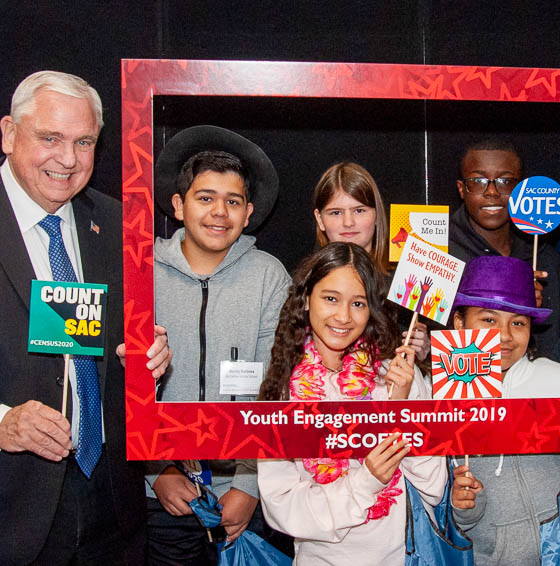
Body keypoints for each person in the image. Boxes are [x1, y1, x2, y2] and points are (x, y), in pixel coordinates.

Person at [0, 70, 171, 565]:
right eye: (49, 138)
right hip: (13, 510)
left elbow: (114, 347)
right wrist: (4, 422)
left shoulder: (118, 223)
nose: (68, 159)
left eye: (84, 141)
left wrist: (150, 357)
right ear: (9, 133)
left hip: (112, 505)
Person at [147, 125, 291, 564]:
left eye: (232, 202)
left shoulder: (269, 277)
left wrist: (248, 486)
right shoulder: (141, 271)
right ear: (178, 205)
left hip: (246, 494)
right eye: (205, 197)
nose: (219, 213)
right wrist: (157, 473)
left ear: (248, 213)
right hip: (166, 493)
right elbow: (124, 383)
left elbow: (278, 385)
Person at [257, 242, 446, 566]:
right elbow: (283, 511)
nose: (343, 317)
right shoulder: (281, 392)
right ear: (305, 300)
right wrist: (366, 481)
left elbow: (434, 487)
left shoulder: (397, 374)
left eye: (358, 303)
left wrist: (400, 411)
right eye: (331, 298)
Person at [449, 255, 560, 565]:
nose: (504, 335)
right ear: (459, 322)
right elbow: (462, 520)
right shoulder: (445, 394)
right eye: (488, 319)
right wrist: (464, 505)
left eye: (517, 322)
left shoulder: (558, 382)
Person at [449, 138, 560, 362]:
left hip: (537, 392)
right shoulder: (441, 252)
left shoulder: (545, 259)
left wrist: (531, 315)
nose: (492, 191)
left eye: (505, 181)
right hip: (465, 388)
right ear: (462, 189)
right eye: (478, 180)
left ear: (520, 188)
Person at [313, 161, 430, 361]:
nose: (348, 222)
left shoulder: (408, 280)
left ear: (377, 214)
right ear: (320, 218)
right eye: (336, 212)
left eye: (359, 210)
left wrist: (424, 351)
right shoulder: (310, 281)